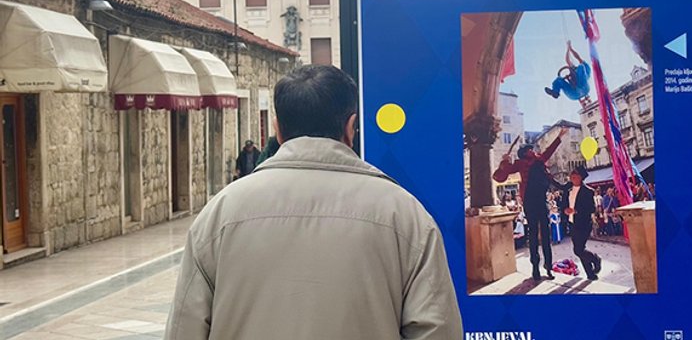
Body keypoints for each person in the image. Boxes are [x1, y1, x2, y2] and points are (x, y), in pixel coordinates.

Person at [165, 65, 462, 339]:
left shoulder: (220, 214)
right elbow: (436, 331)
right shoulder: (405, 216)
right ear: (351, 127)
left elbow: (184, 330)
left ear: (278, 130)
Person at [493, 128, 568, 281]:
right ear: (526, 151)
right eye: (530, 149)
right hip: (532, 200)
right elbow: (500, 177)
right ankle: (537, 267)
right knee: (536, 234)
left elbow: (549, 150)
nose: (533, 151)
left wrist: (559, 137)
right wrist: (504, 160)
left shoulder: (539, 160)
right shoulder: (522, 163)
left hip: (538, 199)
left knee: (541, 234)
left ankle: (545, 267)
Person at [554, 167, 602, 281]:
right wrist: (564, 209)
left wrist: (576, 211)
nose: (572, 176)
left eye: (575, 175)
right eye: (572, 174)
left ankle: (595, 259)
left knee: (578, 250)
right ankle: (590, 274)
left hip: (584, 224)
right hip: (572, 223)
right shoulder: (568, 189)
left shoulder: (588, 191)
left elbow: (591, 208)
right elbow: (562, 203)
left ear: (581, 177)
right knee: (579, 249)